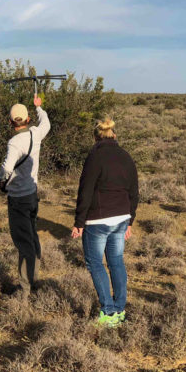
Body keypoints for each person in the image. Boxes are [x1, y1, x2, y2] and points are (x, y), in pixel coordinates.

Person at [71, 119, 138, 327]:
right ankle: (119, 310)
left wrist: (79, 221)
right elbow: (134, 191)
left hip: (97, 220)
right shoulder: (126, 156)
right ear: (114, 135)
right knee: (116, 260)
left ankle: (108, 312)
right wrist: (130, 220)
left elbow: (86, 190)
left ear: (95, 138)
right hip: (121, 218)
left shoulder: (94, 156)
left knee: (95, 263)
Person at [0, 95, 50, 294]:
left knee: (23, 242)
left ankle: (25, 288)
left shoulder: (14, 143)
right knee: (32, 237)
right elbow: (46, 123)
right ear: (28, 119)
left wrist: (1, 178)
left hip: (18, 198)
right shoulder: (36, 134)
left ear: (11, 122)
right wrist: (39, 107)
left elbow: (7, 168)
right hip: (32, 195)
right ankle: (33, 278)